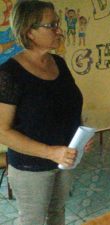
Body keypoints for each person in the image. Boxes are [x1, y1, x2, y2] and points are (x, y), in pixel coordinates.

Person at [0, 1, 91, 224]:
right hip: (31, 167)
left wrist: (81, 136)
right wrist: (51, 152)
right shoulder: (9, 74)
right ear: (29, 31)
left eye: (57, 23)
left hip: (65, 160)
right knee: (32, 220)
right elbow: (2, 131)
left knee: (58, 214)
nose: (59, 30)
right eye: (52, 25)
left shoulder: (59, 63)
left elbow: (69, 106)